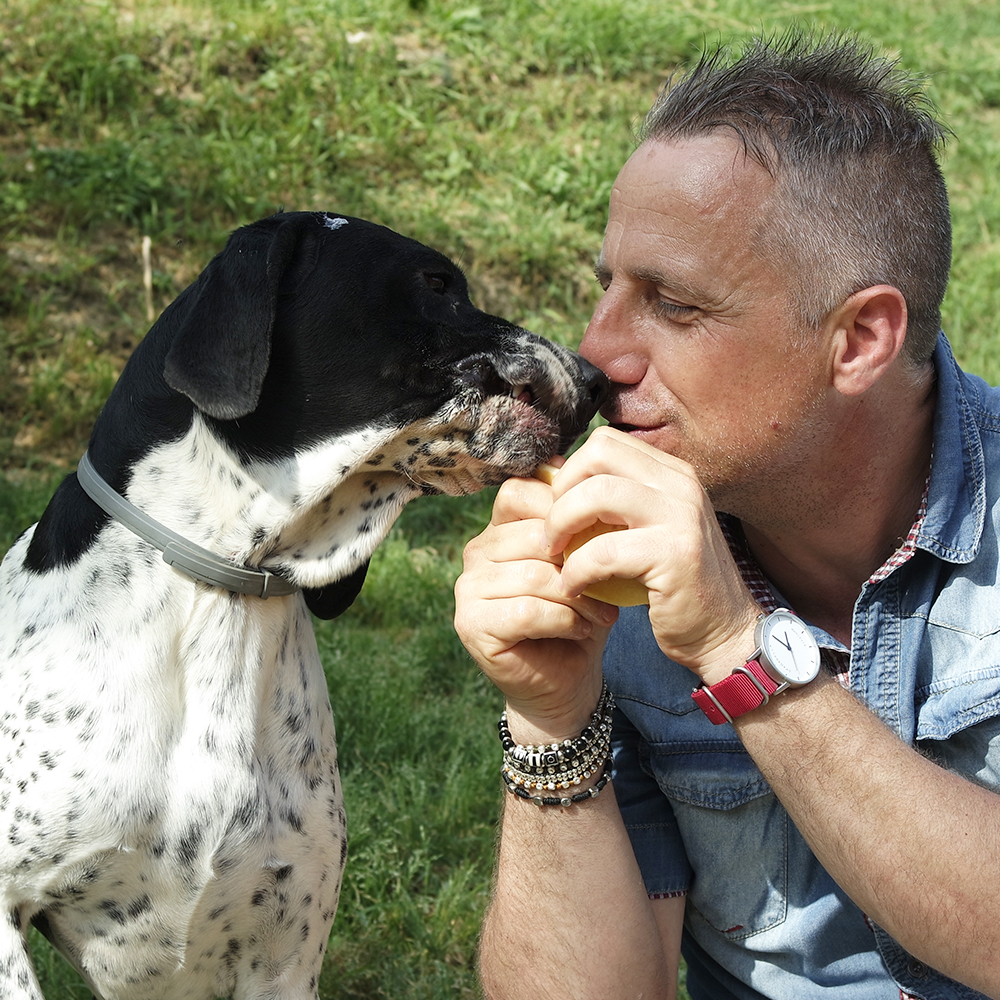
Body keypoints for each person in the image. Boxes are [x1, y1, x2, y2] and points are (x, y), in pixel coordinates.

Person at [453, 31, 1000, 1000]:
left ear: (859, 338)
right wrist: (547, 720)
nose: (595, 351)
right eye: (607, 286)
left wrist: (740, 654)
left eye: (673, 303)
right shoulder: (624, 565)